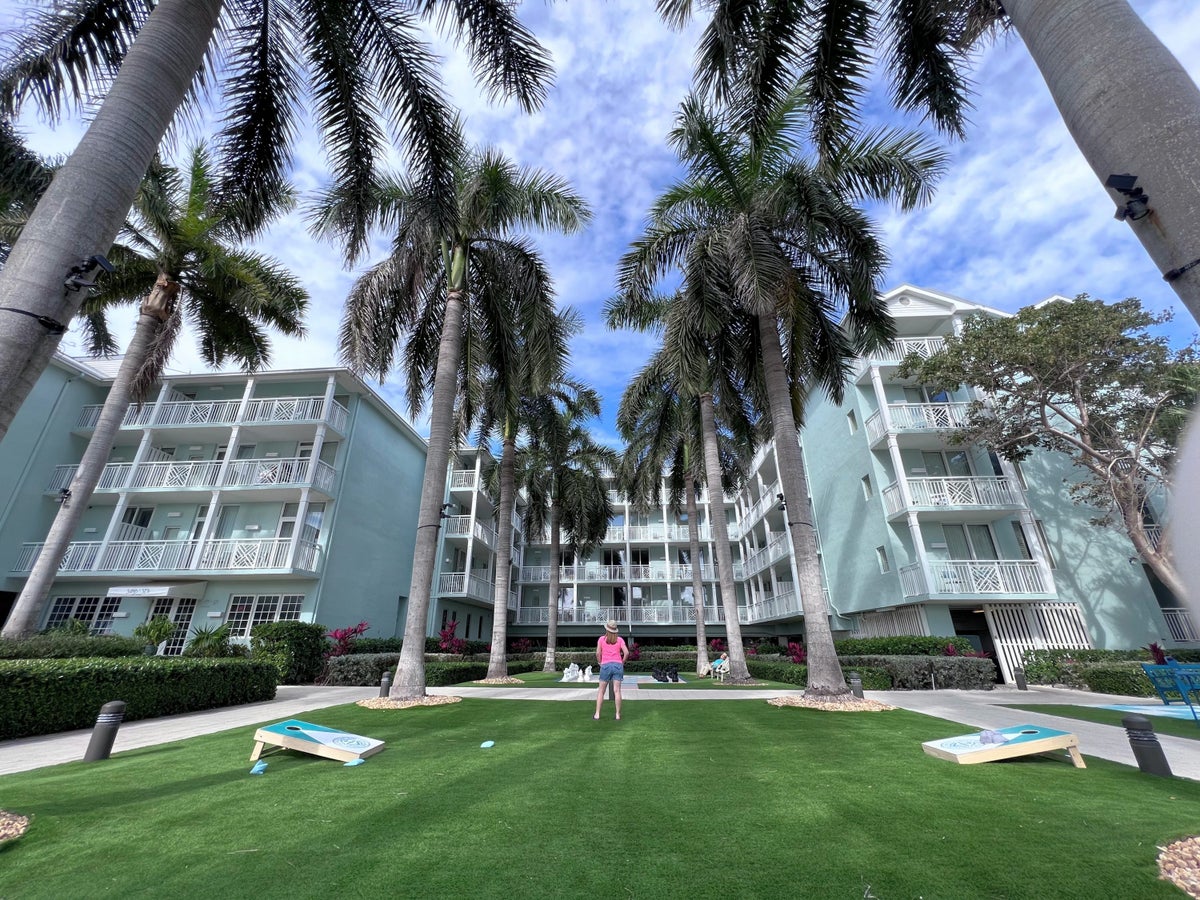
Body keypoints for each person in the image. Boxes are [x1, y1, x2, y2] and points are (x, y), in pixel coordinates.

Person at [594, 619, 629, 720]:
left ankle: (597, 714)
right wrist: (622, 662)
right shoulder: (620, 640)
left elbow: (597, 653)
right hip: (617, 665)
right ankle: (617, 714)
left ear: (607, 629)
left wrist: (599, 662)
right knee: (617, 691)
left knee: (601, 691)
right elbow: (626, 653)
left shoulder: (601, 639)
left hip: (605, 665)